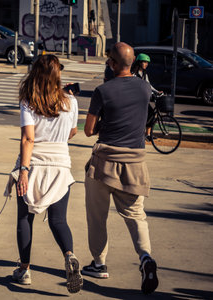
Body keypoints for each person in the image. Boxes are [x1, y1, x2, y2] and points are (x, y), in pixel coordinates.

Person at [82, 42, 158, 295]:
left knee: (97, 217)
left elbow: (89, 130)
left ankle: (99, 264)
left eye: (108, 61)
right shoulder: (145, 88)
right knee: (136, 216)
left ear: (113, 64)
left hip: (104, 163)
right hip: (135, 163)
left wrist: (106, 122)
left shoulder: (103, 91)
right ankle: (146, 258)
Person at [4, 55, 82, 294]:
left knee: (25, 219)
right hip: (61, 166)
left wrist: (24, 171)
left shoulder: (29, 101)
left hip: (34, 164)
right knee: (59, 220)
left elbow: (28, 138)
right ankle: (69, 255)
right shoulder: (71, 101)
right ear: (57, 75)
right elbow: (73, 133)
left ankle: (25, 270)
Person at [131, 53, 163, 139]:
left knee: (151, 113)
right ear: (139, 62)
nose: (146, 64)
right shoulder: (133, 74)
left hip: (142, 99)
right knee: (140, 116)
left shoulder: (144, 73)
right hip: (135, 100)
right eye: (144, 62)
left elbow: (148, 85)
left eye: (147, 62)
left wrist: (156, 92)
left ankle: (148, 134)